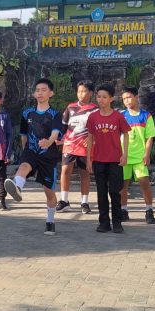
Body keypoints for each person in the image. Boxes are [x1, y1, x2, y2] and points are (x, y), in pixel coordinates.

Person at [3, 78, 64, 235]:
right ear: (34, 94)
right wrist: (25, 150)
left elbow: (55, 133)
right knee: (24, 166)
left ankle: (50, 221)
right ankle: (17, 187)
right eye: (37, 90)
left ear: (51, 93)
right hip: (31, 151)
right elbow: (23, 133)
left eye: (44, 90)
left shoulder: (55, 114)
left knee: (49, 192)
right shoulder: (27, 113)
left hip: (48, 155)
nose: (40, 93)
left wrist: (49, 142)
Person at [86, 84, 130, 233]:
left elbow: (126, 134)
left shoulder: (118, 116)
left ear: (111, 99)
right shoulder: (93, 117)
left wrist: (125, 154)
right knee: (101, 192)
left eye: (104, 97)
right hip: (99, 160)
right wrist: (89, 158)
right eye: (99, 96)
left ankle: (117, 222)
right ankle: (104, 222)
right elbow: (90, 137)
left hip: (115, 160)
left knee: (115, 191)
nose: (101, 100)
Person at [58, 81, 97, 214]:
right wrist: (59, 139)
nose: (80, 94)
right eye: (79, 91)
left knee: (85, 173)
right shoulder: (70, 108)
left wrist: (92, 140)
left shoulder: (95, 110)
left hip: (85, 147)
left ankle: (84, 202)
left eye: (84, 91)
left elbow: (97, 130)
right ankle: (64, 201)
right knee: (65, 171)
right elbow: (63, 126)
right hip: (69, 145)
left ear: (90, 93)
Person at [120, 87, 155, 224]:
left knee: (144, 182)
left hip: (140, 157)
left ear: (136, 97)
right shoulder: (121, 116)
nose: (127, 101)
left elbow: (149, 137)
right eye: (124, 99)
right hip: (124, 156)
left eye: (129, 97)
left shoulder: (146, 116)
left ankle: (149, 210)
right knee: (123, 185)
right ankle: (123, 210)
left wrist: (147, 154)